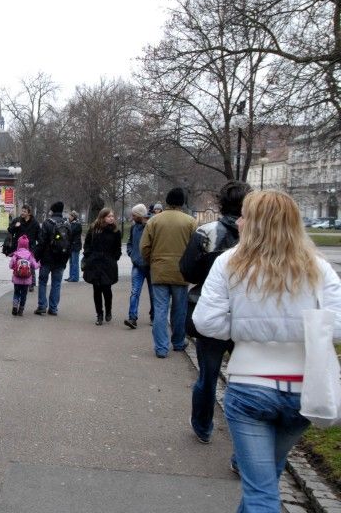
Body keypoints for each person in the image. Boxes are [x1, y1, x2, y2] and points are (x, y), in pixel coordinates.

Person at [193, 190, 341, 511]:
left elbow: (207, 322)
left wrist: (246, 330)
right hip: (303, 388)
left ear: (256, 223)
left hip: (250, 384)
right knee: (265, 480)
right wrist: (302, 329)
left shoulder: (230, 264)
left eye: (246, 216)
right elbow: (337, 324)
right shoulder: (318, 268)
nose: (240, 222)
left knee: (261, 491)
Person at [180, 180, 250, 445]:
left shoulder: (207, 232)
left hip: (211, 309)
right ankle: (243, 438)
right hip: (247, 312)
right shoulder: (259, 235)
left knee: (208, 375)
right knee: (246, 376)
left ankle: (203, 425)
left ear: (221, 203)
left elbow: (187, 269)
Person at [140, 187, 196, 358]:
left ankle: (161, 347)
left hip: (159, 270)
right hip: (181, 271)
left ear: (167, 201)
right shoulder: (190, 222)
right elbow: (196, 248)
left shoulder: (155, 221)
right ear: (182, 202)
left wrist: (153, 261)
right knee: (180, 310)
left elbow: (144, 247)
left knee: (160, 309)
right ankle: (178, 342)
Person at [82, 208, 122, 325]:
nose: (111, 218)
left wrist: (115, 258)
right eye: (109, 216)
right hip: (95, 262)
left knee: (107, 289)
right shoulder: (94, 229)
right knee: (96, 289)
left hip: (108, 263)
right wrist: (89, 256)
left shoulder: (115, 231)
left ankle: (108, 310)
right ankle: (99, 314)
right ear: (103, 217)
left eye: (112, 216)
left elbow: (117, 248)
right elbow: (87, 244)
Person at [34, 201, 70, 316]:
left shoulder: (47, 223)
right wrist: (66, 259)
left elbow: (42, 242)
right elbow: (70, 243)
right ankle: (53, 308)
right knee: (56, 283)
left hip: (47, 258)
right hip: (61, 259)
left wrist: (36, 257)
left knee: (43, 282)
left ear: (52, 210)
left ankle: (42, 306)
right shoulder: (67, 224)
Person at [124, 204, 154, 329]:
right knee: (134, 292)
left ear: (140, 215)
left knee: (154, 294)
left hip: (151, 266)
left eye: (134, 215)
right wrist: (131, 254)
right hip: (137, 264)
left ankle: (154, 316)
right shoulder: (133, 227)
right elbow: (130, 242)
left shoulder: (152, 226)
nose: (132, 216)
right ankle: (132, 317)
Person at [8, 205, 41, 291]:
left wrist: (38, 247)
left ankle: (31, 284)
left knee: (31, 265)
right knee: (18, 264)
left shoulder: (35, 223)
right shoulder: (17, 220)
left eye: (24, 211)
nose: (22, 213)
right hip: (19, 248)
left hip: (30, 247)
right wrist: (15, 226)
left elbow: (39, 236)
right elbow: (10, 230)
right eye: (22, 211)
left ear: (29, 213)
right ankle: (18, 281)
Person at [9, 235, 39, 316]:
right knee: (24, 295)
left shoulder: (16, 255)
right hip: (26, 281)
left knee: (16, 293)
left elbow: (10, 265)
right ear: (27, 245)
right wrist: (39, 263)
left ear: (18, 245)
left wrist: (15, 267)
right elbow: (35, 266)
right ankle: (21, 310)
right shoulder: (30, 255)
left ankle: (15, 306)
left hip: (17, 279)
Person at [66, 210, 83, 282]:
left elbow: (71, 232)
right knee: (71, 262)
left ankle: (75, 277)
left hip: (75, 245)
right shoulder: (71, 223)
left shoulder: (77, 224)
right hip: (70, 246)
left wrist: (67, 226)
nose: (69, 217)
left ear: (73, 217)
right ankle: (71, 276)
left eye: (70, 216)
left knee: (75, 262)